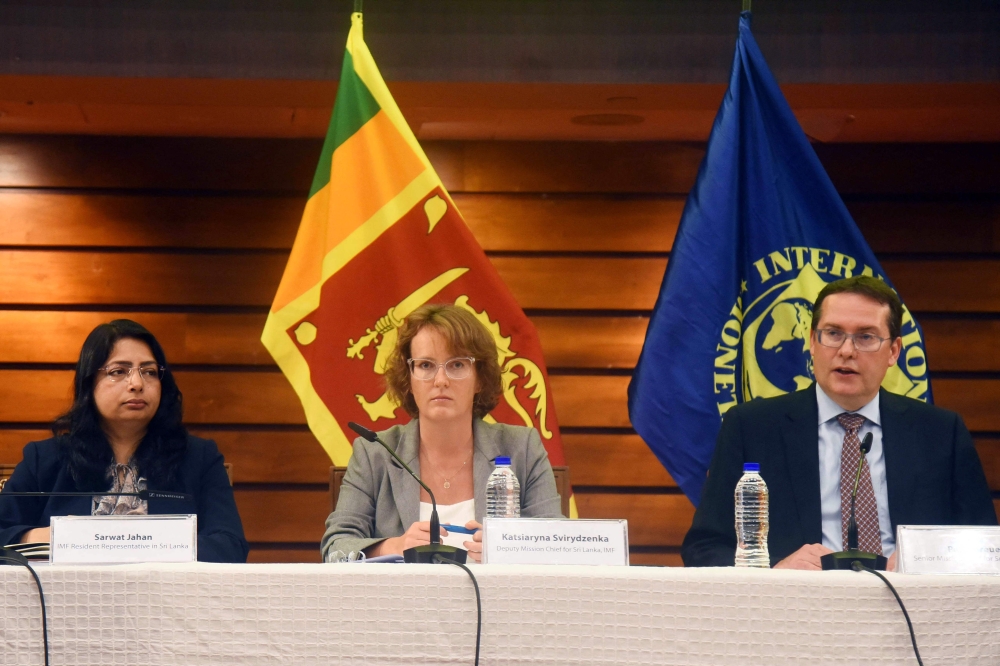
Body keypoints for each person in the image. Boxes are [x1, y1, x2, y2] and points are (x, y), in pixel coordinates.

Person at [682, 276, 996, 570]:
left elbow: (986, 548)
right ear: (812, 342)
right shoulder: (752, 427)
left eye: (866, 337)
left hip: (911, 612)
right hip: (796, 611)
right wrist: (775, 570)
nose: (846, 351)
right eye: (833, 334)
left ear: (894, 351)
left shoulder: (941, 433)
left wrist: (926, 561)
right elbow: (704, 547)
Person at [321, 303, 563, 563]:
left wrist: (509, 551)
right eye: (426, 365)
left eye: (457, 365)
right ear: (409, 379)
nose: (440, 380)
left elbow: (556, 543)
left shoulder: (522, 448)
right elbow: (335, 548)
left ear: (479, 379)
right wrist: (394, 546)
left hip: (498, 602)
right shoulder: (375, 453)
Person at [0, 319, 249, 563]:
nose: (137, 384)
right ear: (89, 382)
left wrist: (153, 543)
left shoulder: (199, 457)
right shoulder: (44, 459)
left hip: (168, 599)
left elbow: (230, 545)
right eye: (118, 371)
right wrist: (49, 537)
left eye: (149, 372)